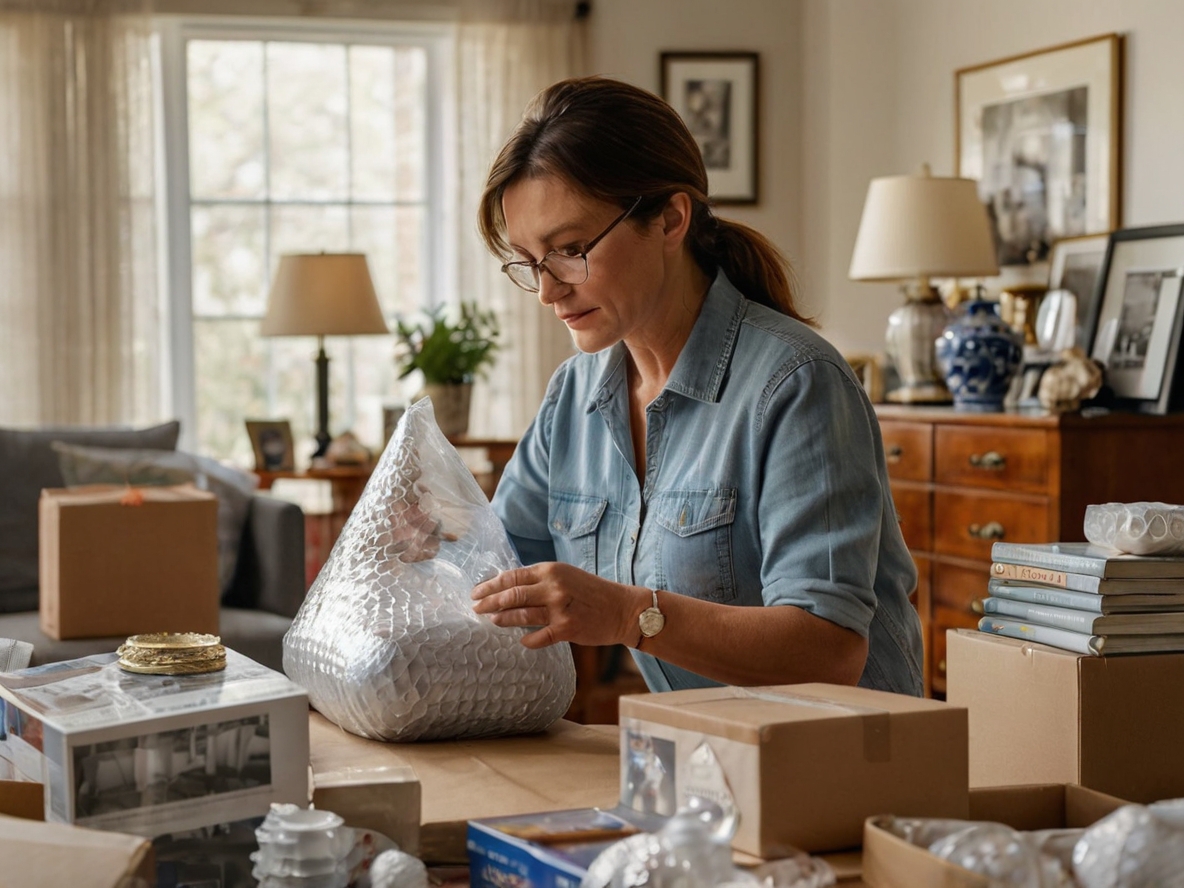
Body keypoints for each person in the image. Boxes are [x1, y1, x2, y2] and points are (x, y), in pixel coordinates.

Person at [469, 76, 923, 696]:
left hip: (841, 770)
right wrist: (440, 545)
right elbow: (498, 572)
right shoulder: (573, 396)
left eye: (571, 249)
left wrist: (628, 615)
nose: (548, 290)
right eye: (528, 261)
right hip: (705, 763)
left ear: (670, 219)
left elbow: (828, 650)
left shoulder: (797, 383)